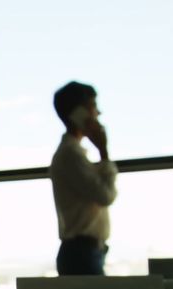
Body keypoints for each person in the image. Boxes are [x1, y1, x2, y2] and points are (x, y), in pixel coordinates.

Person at [49, 81, 118, 275]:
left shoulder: (73, 154)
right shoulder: (71, 155)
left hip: (84, 252)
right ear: (80, 113)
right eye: (93, 107)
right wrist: (104, 151)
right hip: (82, 253)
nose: (98, 113)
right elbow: (106, 195)